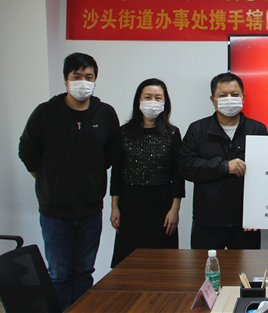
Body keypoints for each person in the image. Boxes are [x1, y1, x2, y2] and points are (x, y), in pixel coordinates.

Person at [18, 52, 120, 310]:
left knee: (84, 272)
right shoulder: (45, 112)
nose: (83, 82)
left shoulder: (105, 113)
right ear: (65, 80)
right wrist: (49, 180)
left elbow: (111, 154)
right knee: (60, 274)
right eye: (76, 76)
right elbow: (27, 152)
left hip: (90, 210)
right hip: (55, 212)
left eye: (89, 77)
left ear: (95, 80)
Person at [179, 72, 268, 250]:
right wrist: (224, 166)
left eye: (234, 94)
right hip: (207, 222)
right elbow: (186, 167)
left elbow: (267, 171)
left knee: (247, 268)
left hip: (245, 223)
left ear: (243, 97)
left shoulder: (257, 129)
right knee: (205, 267)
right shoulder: (197, 129)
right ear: (213, 100)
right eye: (222, 95)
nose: (229, 99)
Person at [109, 78, 185, 268]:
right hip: (130, 204)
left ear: (165, 102)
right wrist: (114, 207)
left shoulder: (173, 133)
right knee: (128, 264)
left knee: (162, 264)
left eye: (158, 98)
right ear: (139, 101)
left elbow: (178, 175)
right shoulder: (123, 133)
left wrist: (175, 209)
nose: (153, 102)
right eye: (148, 97)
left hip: (162, 205)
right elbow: (116, 172)